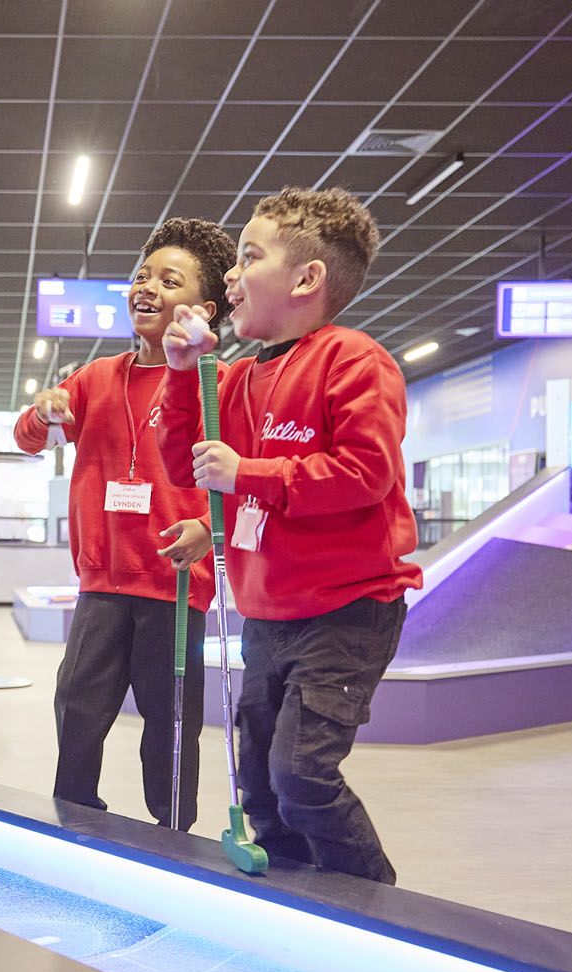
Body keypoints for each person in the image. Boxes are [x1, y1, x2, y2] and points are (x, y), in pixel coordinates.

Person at [157, 187, 419, 884]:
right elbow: (183, 458)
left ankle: (377, 912)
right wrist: (184, 375)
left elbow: (365, 472)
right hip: (268, 615)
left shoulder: (355, 361)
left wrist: (250, 472)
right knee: (261, 787)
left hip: (347, 612)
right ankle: (297, 904)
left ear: (306, 279)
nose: (231, 276)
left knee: (302, 773)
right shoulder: (237, 377)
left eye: (249, 257)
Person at [13, 218, 234, 830]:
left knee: (169, 728)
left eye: (170, 279)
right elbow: (30, 438)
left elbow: (237, 481)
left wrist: (208, 532)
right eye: (142, 275)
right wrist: (42, 411)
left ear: (203, 308)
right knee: (77, 708)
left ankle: (174, 837)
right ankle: (74, 820)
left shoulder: (216, 385)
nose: (148, 287)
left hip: (172, 587)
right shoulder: (95, 378)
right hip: (102, 583)